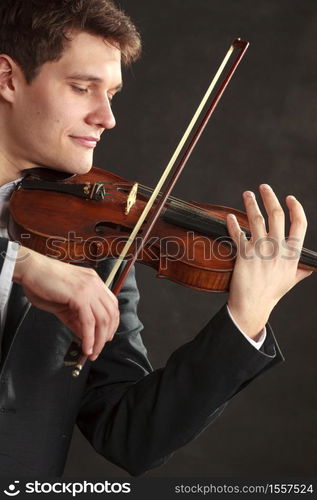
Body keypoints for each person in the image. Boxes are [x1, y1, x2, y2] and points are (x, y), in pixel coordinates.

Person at [0, 0, 311, 477]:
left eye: (113, 94)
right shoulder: (50, 255)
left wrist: (246, 317)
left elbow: (131, 435)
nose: (107, 117)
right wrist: (19, 263)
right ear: (7, 79)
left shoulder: (97, 244)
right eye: (83, 88)